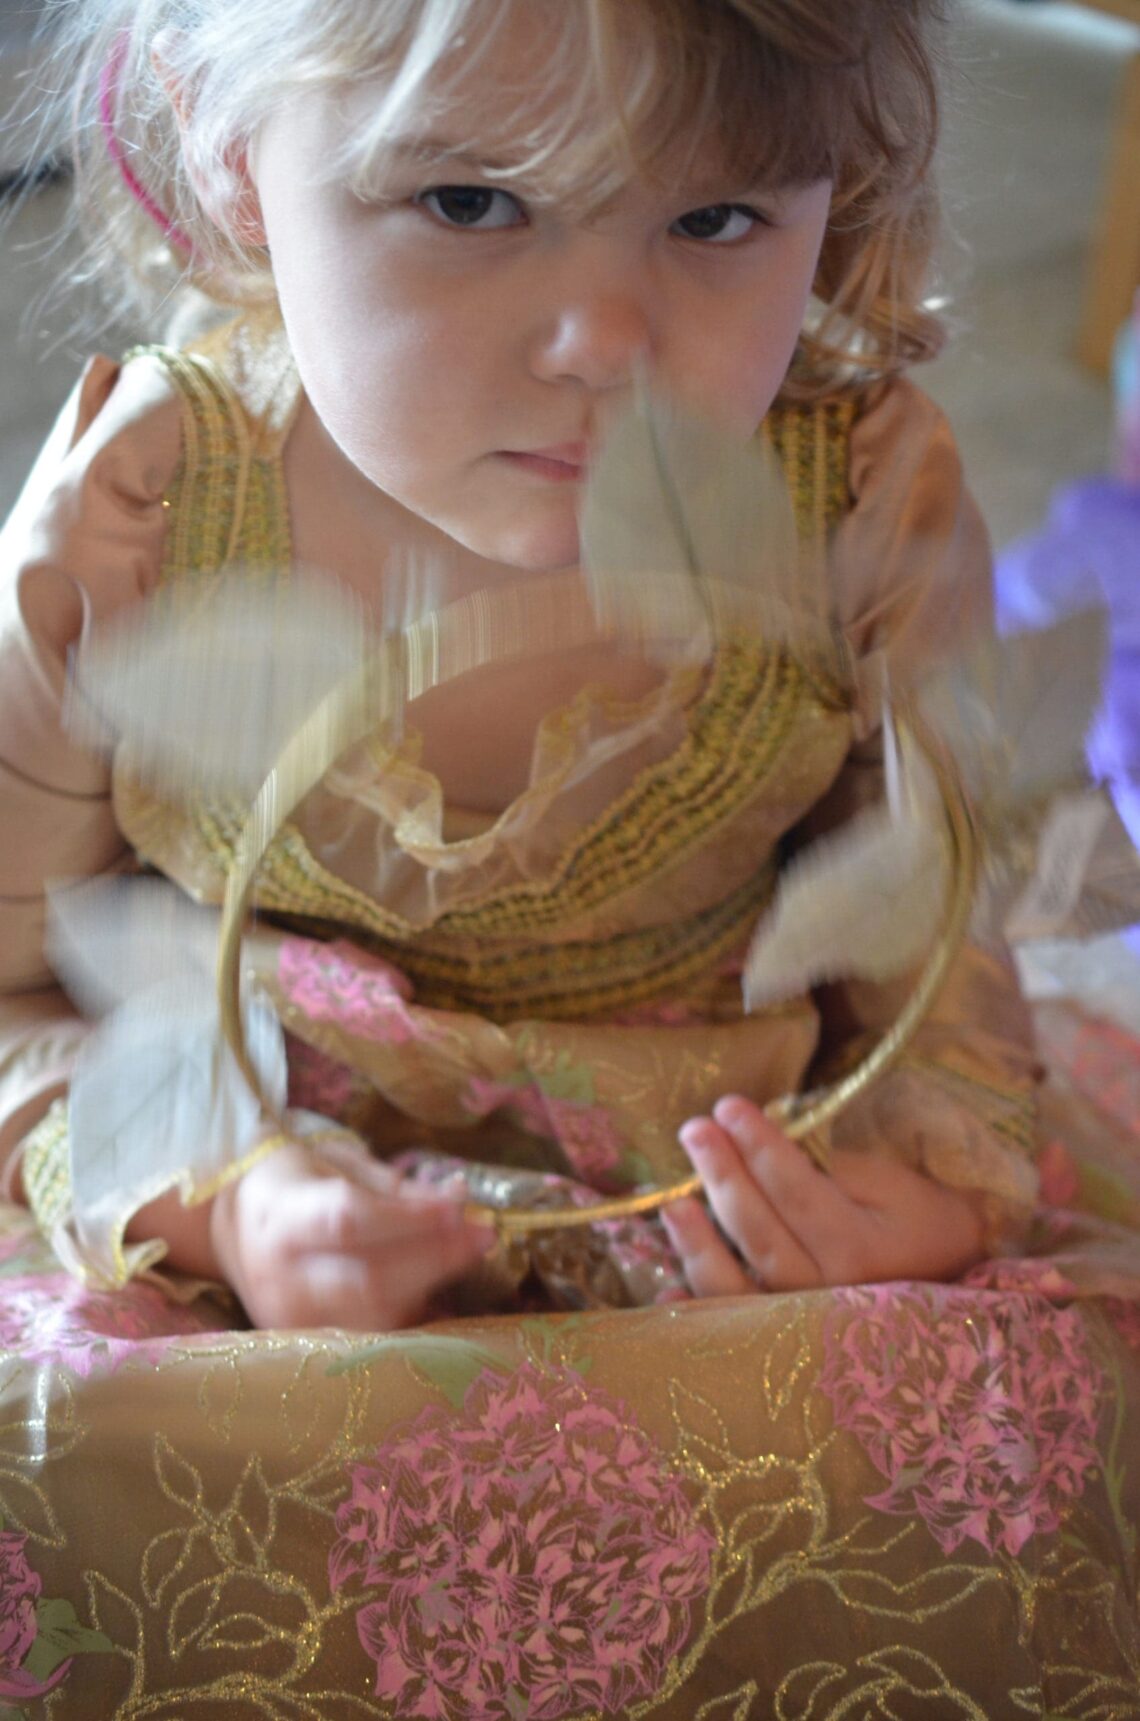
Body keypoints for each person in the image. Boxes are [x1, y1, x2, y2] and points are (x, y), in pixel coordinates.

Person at [0, 0, 1097, 1337]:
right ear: (226, 151)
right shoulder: (135, 521)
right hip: (245, 1235)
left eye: (714, 221)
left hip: (716, 1262)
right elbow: (15, 994)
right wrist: (222, 1204)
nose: (604, 339)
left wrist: (912, 1194)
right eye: (470, 201)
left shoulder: (856, 508)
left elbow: (937, 969)